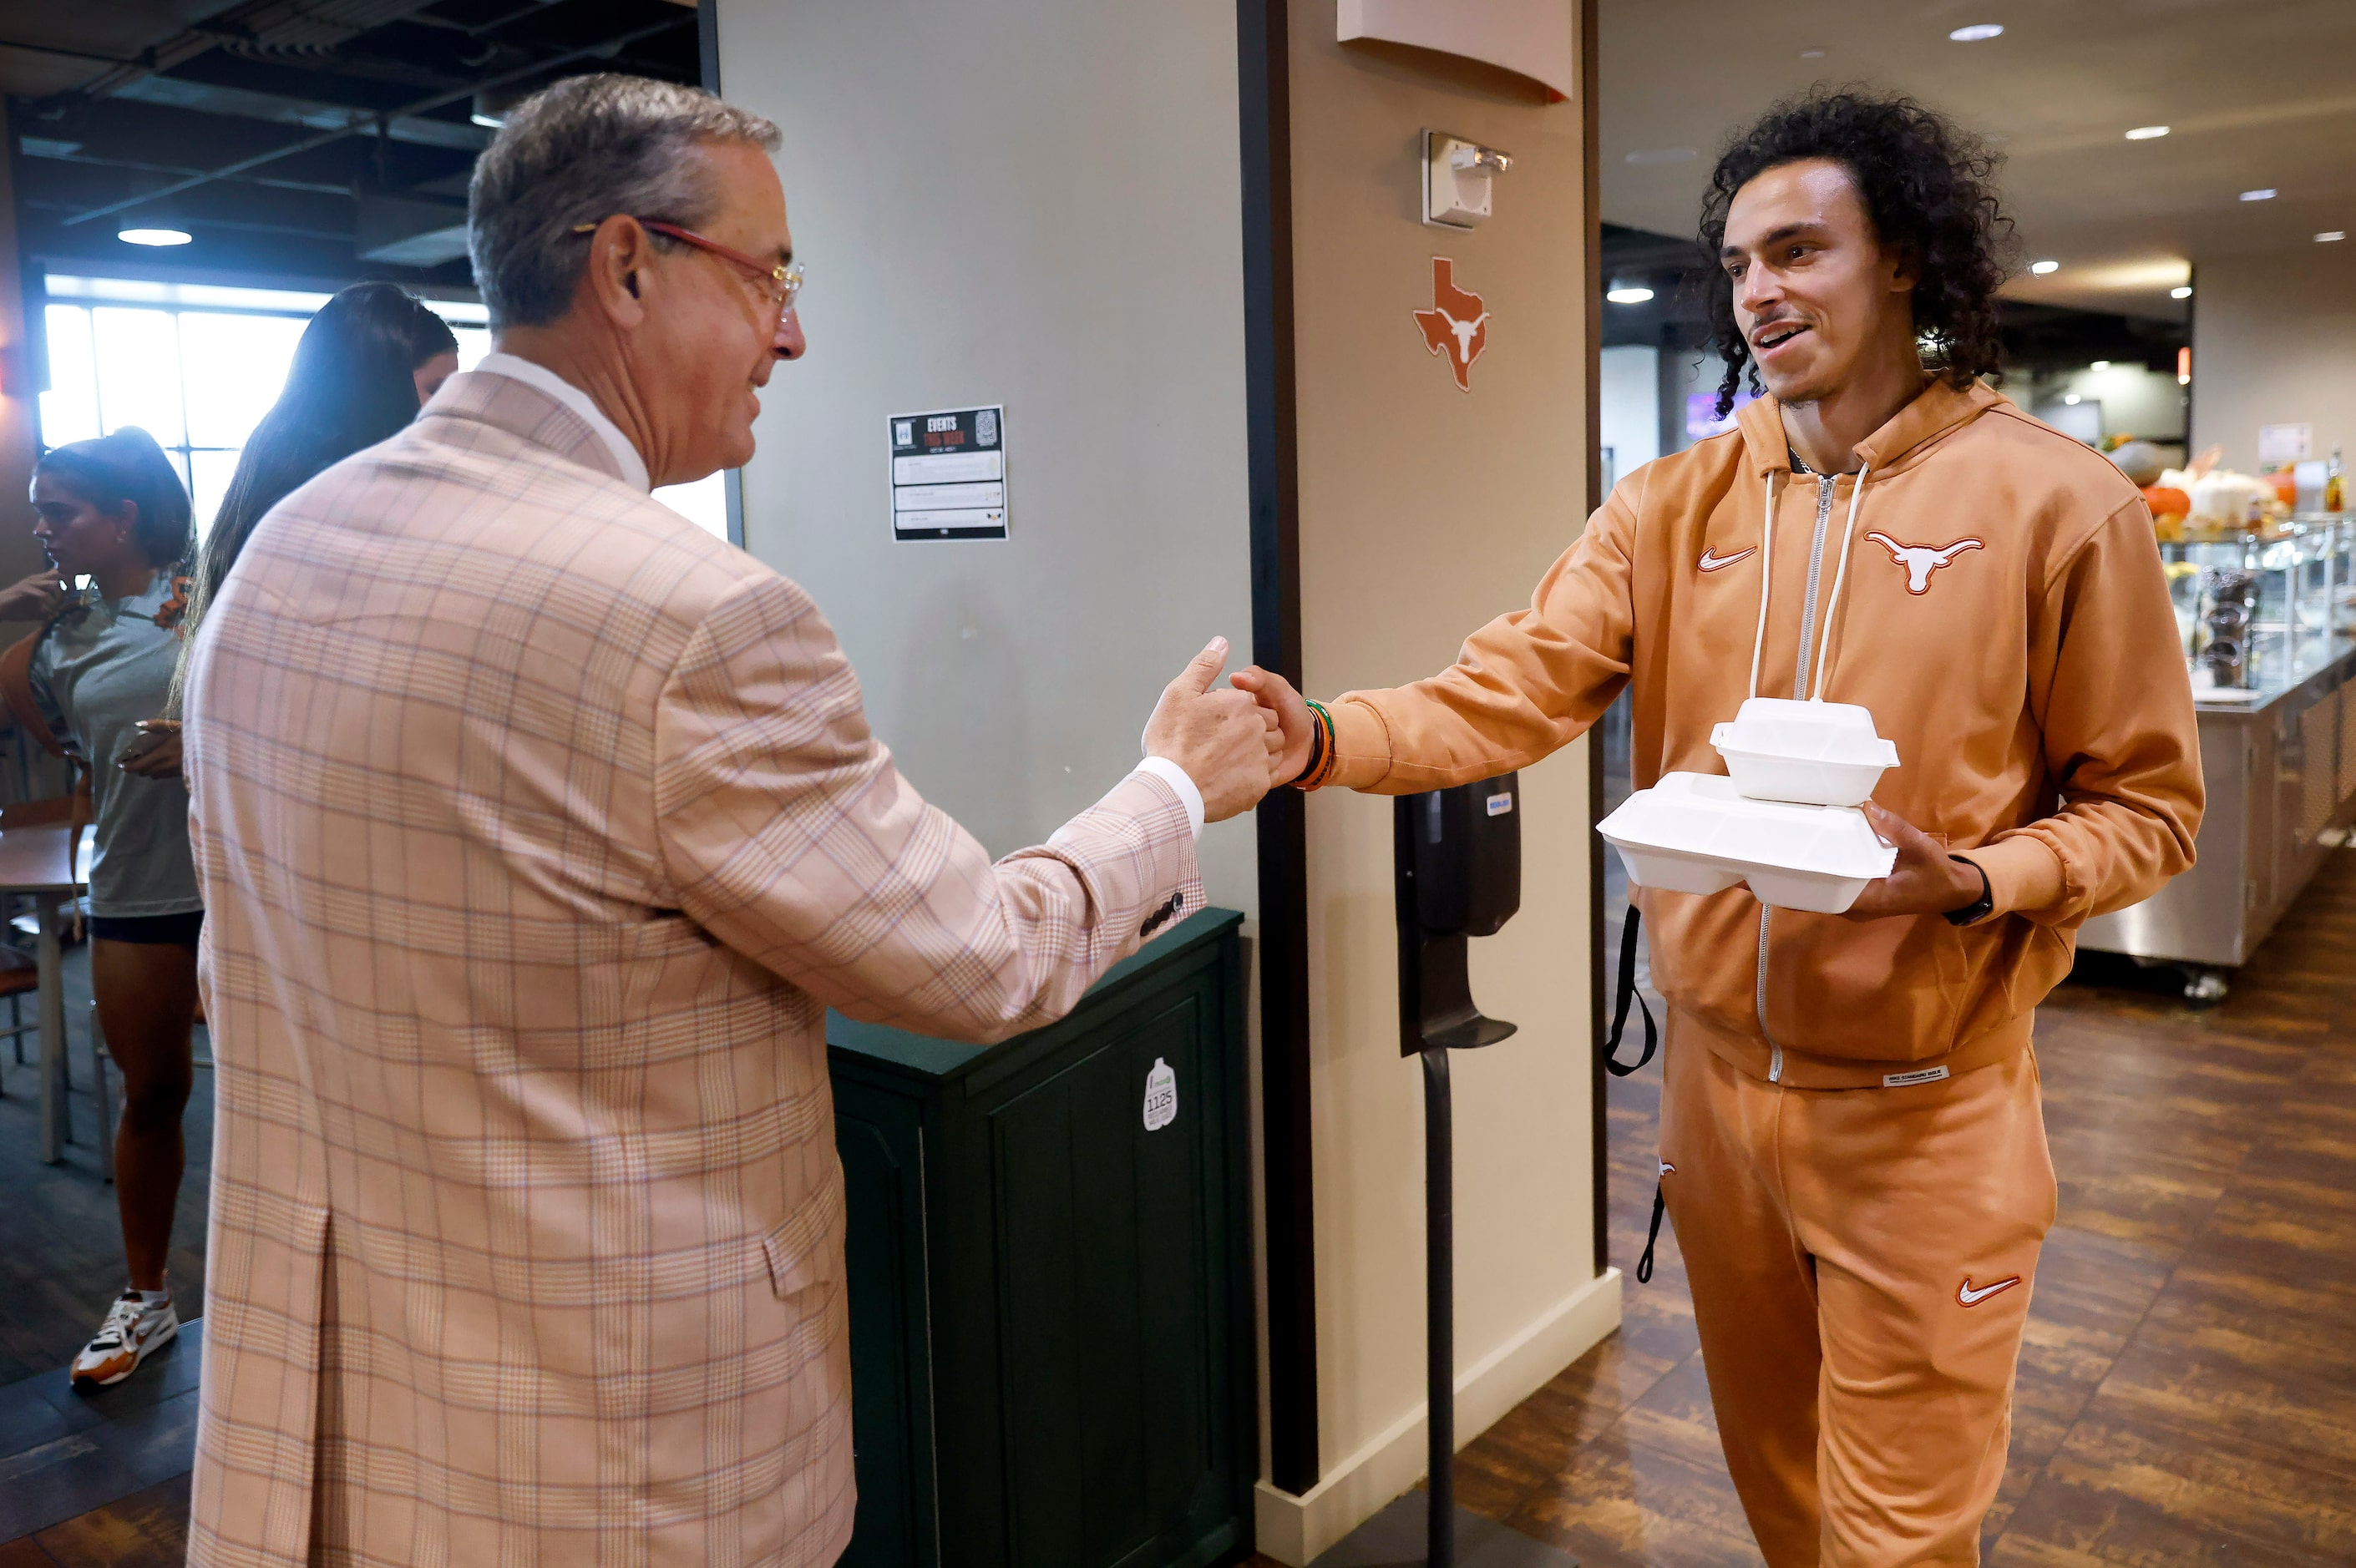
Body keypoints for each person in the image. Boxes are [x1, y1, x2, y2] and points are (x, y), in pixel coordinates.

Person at [179, 74, 1279, 1565]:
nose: (795, 330)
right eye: (771, 276)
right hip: (622, 1461)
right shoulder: (693, 615)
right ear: (627, 266)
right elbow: (981, 962)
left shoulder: (275, 558)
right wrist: (1170, 787)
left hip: (336, 1431)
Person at [1237, 90, 2202, 1564]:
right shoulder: (1669, 504)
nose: (1758, 291)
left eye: (1800, 250)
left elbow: (2148, 809)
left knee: (1898, 1536)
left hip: (1924, 1107)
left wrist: (1979, 878)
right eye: (1740, 260)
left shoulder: (2057, 505)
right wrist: (1318, 737)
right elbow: (1509, 693)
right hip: (1710, 1101)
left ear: (1903, 265)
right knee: (1783, 1502)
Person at [0, 427, 205, 1388]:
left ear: (124, 517)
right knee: (152, 1093)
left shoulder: (220, 591)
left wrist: (206, 746)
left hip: (254, 885)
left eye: (60, 511)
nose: (42, 528)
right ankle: (145, 1297)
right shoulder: (51, 645)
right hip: (139, 890)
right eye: (39, 511)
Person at [143, 281, 461, 758]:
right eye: (436, 390)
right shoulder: (347, 501)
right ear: (383, 390)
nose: (451, 412)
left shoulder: (273, 465)